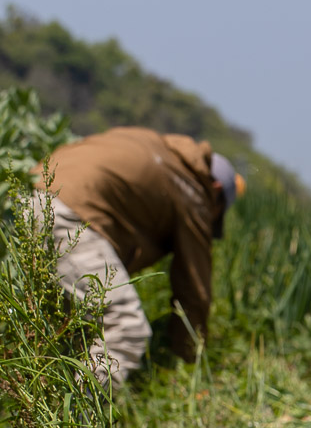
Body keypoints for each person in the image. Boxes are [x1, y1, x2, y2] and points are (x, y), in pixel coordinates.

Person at [33, 127, 245, 392]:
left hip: (24, 196)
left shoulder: (151, 144)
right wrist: (189, 362)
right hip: (66, 214)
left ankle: (38, 404)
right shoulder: (194, 189)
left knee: (51, 325)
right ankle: (76, 426)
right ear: (215, 190)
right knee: (126, 327)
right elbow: (194, 290)